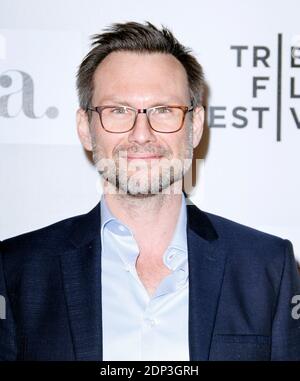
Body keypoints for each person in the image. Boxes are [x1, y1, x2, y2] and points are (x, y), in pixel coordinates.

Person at [0, 21, 300, 361]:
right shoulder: (17, 270)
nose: (141, 134)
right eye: (118, 110)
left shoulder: (265, 266)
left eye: (163, 110)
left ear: (195, 126)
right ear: (86, 128)